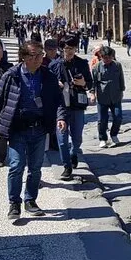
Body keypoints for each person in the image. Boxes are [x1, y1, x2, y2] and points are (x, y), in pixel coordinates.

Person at [0, 41, 67, 220]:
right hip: (17, 128)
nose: (39, 58)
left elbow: (58, 99)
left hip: (39, 128)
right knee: (16, 166)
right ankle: (14, 203)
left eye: (40, 54)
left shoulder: (48, 75)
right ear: (23, 57)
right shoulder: (11, 75)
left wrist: (61, 117)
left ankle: (30, 200)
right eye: (34, 55)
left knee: (35, 168)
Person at [53, 36, 92, 179]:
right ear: (62, 49)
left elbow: (90, 83)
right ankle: (66, 166)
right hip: (60, 106)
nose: (69, 51)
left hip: (77, 105)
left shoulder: (82, 64)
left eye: (72, 48)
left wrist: (83, 83)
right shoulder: (54, 65)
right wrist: (55, 85)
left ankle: (73, 153)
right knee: (62, 138)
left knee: (77, 138)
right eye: (67, 48)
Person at [90, 46, 125, 148]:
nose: (108, 59)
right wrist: (92, 94)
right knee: (102, 120)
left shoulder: (117, 65)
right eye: (105, 58)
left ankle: (114, 134)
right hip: (102, 97)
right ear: (101, 57)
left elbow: (121, 78)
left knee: (118, 117)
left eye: (110, 57)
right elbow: (93, 82)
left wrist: (122, 90)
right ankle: (102, 138)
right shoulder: (96, 67)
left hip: (115, 96)